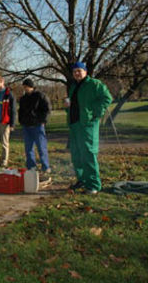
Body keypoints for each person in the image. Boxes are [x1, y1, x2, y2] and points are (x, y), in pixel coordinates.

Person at [66, 62, 112, 195]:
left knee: (88, 154)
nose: (77, 73)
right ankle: (82, 180)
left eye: (79, 71)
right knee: (77, 155)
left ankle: (93, 185)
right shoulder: (74, 86)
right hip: (75, 124)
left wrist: (96, 113)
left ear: (85, 71)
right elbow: (74, 103)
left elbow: (107, 98)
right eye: (75, 71)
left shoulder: (94, 84)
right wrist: (67, 107)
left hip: (87, 124)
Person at [18, 78, 51, 174]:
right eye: (24, 87)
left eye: (26, 87)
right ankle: (31, 167)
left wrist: (43, 121)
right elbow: (20, 111)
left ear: (31, 86)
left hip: (38, 125)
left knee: (41, 147)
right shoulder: (23, 98)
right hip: (26, 126)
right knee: (28, 149)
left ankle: (45, 167)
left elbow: (47, 109)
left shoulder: (40, 96)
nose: (25, 89)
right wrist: (21, 121)